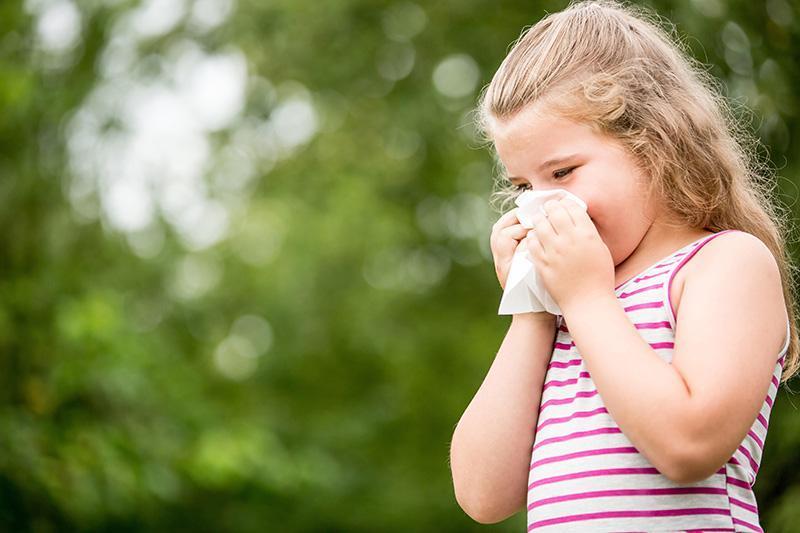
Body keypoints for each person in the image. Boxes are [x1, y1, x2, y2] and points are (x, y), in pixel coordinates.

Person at [448, 1, 799, 531]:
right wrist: (534, 308)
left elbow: (688, 445)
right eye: (523, 188)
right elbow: (483, 494)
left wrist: (586, 299)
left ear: (653, 142)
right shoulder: (571, 308)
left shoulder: (724, 264)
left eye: (562, 172)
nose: (539, 209)